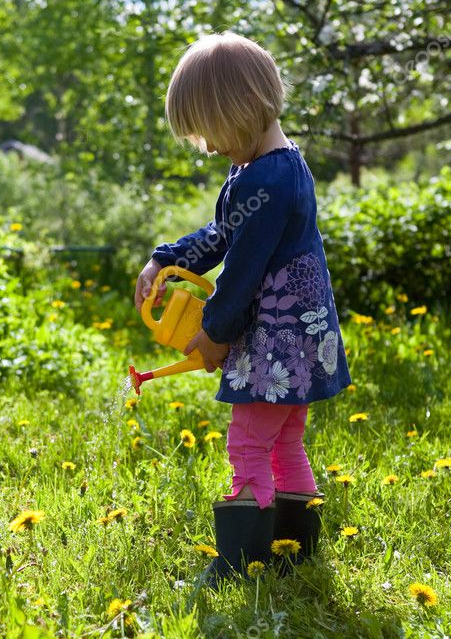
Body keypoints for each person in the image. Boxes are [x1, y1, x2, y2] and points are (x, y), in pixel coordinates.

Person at [134, 32, 352, 588]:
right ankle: (294, 552)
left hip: (277, 341)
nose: (206, 147)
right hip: (298, 339)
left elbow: (243, 272)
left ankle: (240, 564)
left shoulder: (269, 179)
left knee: (248, 442)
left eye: (208, 131)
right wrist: (165, 260)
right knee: (283, 440)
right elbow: (223, 234)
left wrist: (214, 334)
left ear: (240, 109)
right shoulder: (270, 167)